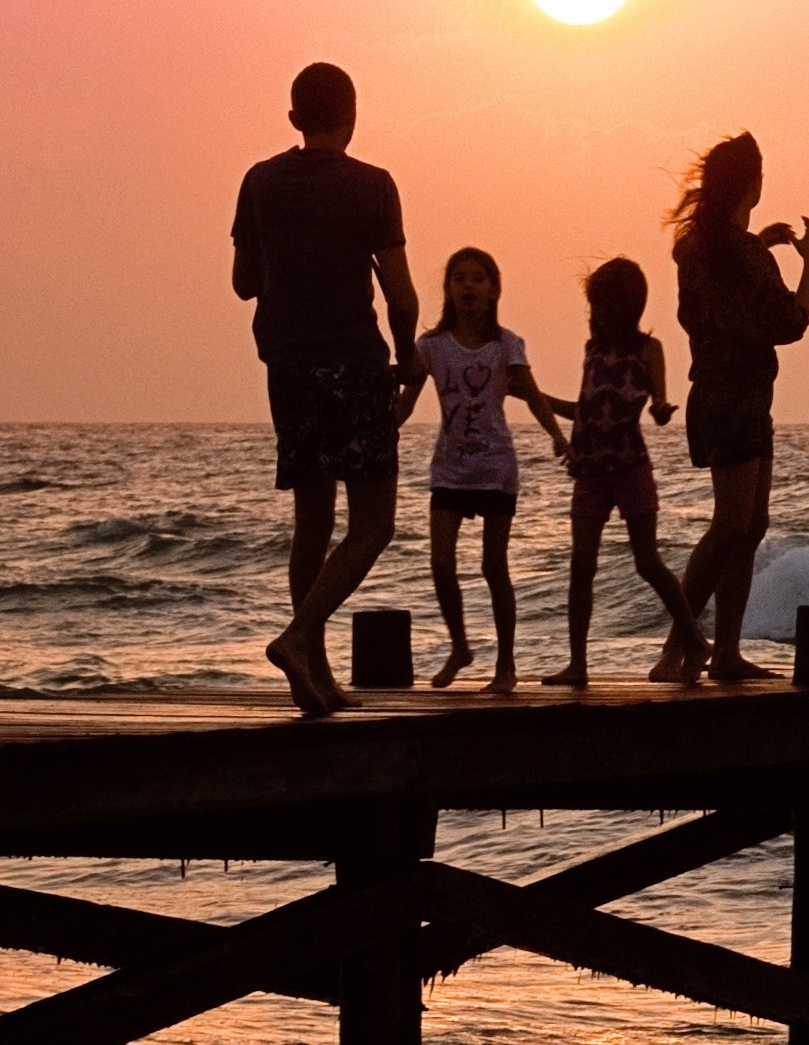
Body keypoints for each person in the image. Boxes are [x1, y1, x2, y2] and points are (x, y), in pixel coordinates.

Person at [230, 63, 420, 714]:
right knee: (373, 524)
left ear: (292, 118)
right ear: (354, 112)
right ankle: (298, 637)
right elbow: (400, 294)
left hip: (286, 366)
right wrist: (408, 358)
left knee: (311, 521)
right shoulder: (373, 186)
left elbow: (243, 283)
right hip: (354, 365)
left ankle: (316, 679)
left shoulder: (259, 181)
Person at [666, 133, 809, 681]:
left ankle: (724, 650)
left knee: (751, 523)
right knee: (732, 523)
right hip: (737, 398)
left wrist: (759, 240)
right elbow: (790, 324)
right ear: (750, 184)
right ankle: (679, 649)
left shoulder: (700, 247)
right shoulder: (742, 254)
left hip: (721, 396)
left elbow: (726, 290)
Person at [392, 248, 569, 693]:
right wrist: (376, 431)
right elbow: (404, 404)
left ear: (493, 288)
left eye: (477, 279)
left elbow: (531, 394)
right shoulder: (430, 347)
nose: (468, 286)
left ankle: (505, 666)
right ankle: (460, 647)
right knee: (440, 561)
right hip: (449, 469)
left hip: (495, 467)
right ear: (448, 289)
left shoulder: (507, 344)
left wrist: (557, 436)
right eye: (459, 279)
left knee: (494, 566)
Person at [542, 258, 710, 687]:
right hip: (590, 472)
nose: (596, 313)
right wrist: (537, 397)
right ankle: (577, 664)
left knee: (647, 561)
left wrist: (662, 410)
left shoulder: (646, 350)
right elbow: (584, 411)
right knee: (582, 565)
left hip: (631, 466)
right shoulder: (591, 350)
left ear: (626, 306)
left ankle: (693, 639)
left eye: (603, 304)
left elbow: (656, 407)